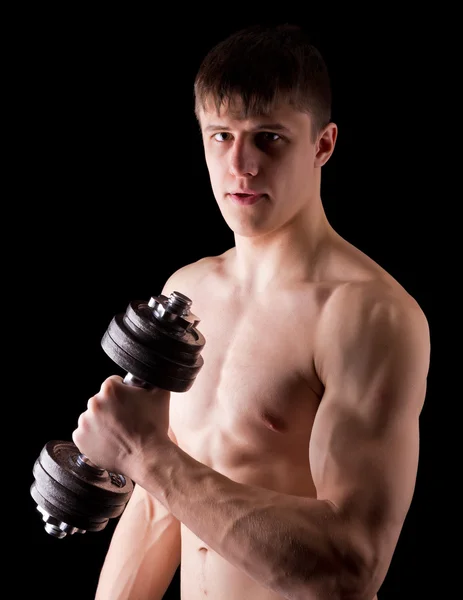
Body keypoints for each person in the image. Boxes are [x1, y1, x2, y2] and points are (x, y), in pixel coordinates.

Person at [73, 23, 431, 600]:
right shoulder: (188, 290)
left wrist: (145, 453)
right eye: (220, 136)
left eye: (269, 138)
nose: (240, 164)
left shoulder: (368, 315)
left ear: (323, 144)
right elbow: (159, 502)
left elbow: (349, 567)